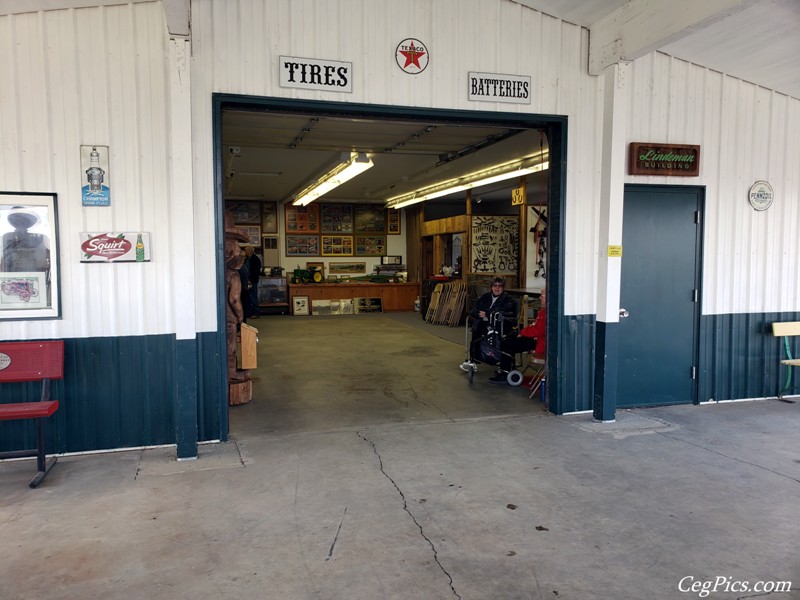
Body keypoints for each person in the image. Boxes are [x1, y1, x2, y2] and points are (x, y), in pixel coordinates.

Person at [490, 290, 547, 384]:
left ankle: (505, 373)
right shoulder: (543, 312)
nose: (540, 298)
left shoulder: (547, 313)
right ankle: (507, 368)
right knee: (507, 339)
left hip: (539, 342)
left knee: (507, 344)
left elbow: (539, 331)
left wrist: (523, 333)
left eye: (542, 296)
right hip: (534, 338)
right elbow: (533, 326)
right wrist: (522, 332)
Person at [468, 276, 518, 367]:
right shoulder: (485, 297)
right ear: (491, 287)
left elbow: (504, 312)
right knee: (476, 329)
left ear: (503, 287)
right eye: (495, 285)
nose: (497, 288)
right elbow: (473, 309)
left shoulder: (508, 300)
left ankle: (497, 358)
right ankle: (475, 358)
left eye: (500, 285)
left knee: (482, 329)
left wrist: (487, 313)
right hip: (483, 324)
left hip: (500, 326)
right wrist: (478, 313)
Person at [244, 245, 262, 318]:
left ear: (249, 251)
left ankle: (256, 312)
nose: (245, 252)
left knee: (253, 296)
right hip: (246, 280)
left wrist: (250, 280)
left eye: (246, 250)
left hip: (252, 281)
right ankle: (249, 312)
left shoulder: (255, 259)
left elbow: (255, 271)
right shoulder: (247, 259)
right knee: (248, 297)